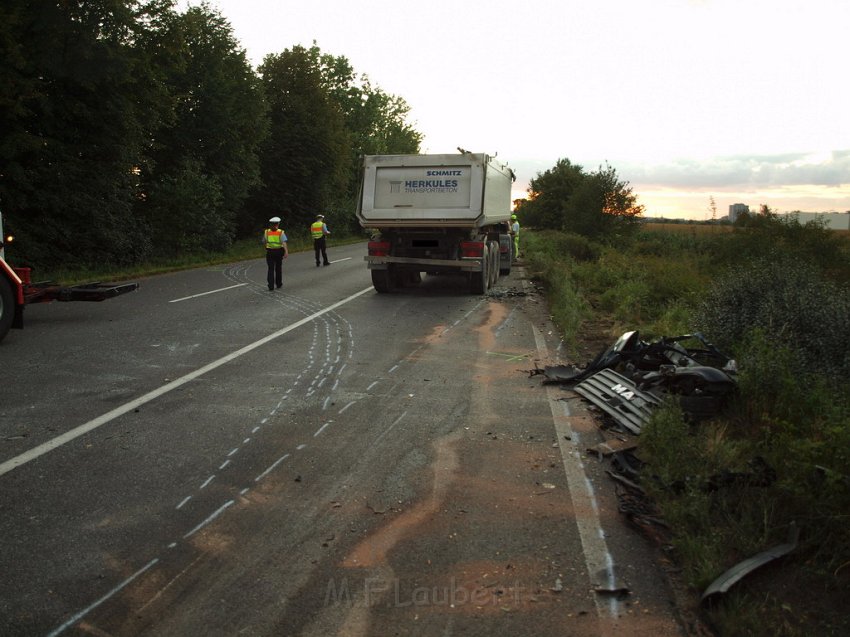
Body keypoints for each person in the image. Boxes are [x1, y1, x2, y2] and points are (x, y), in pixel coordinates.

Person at [263, 216, 288, 290]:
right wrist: (286, 251)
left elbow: (264, 241)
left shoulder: (266, 232)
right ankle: (278, 283)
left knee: (270, 269)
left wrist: (266, 247)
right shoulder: (280, 232)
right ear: (278, 224)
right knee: (278, 268)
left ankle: (270, 286)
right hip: (278, 251)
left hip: (270, 251)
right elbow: (283, 242)